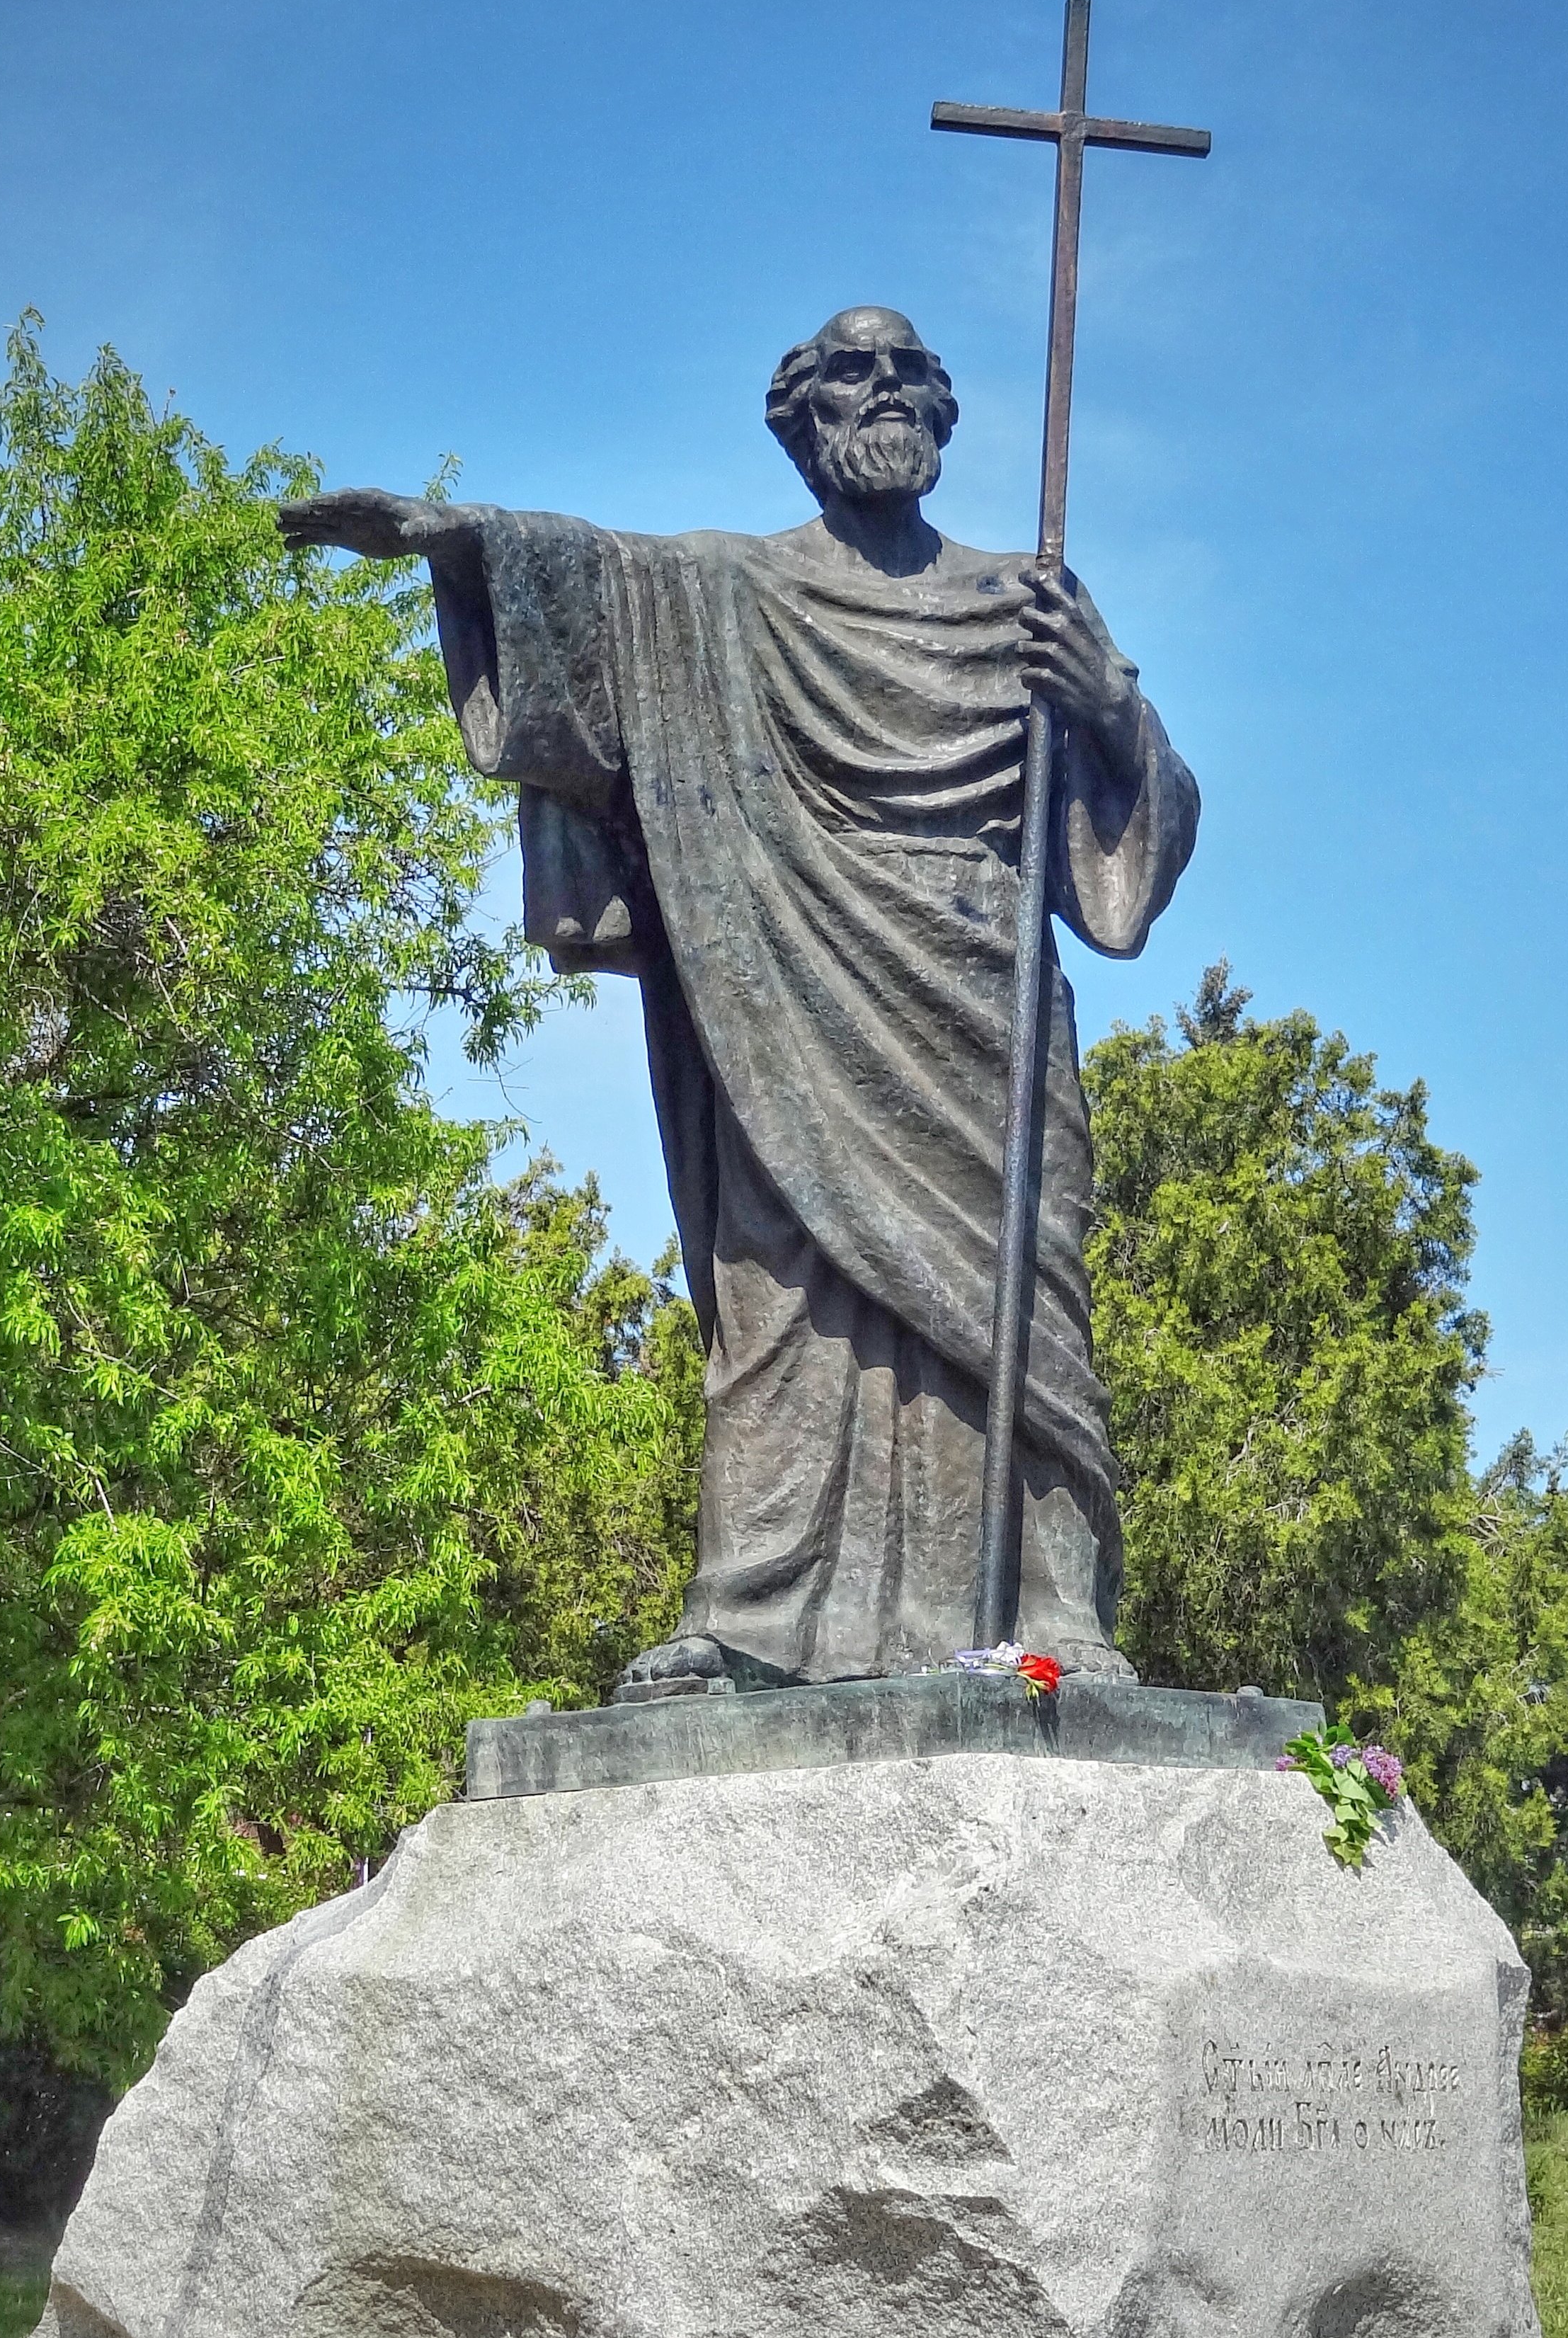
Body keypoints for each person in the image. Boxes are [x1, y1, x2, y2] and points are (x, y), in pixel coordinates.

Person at [281, 307, 1197, 1692]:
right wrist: (452, 540)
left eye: (906, 372)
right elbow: (593, 582)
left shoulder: (1030, 607)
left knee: (1021, 1287)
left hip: (981, 981)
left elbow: (1126, 862)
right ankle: (754, 1618)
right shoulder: (726, 591)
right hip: (780, 965)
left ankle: (1052, 1616)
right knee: (782, 1291)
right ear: (799, 419)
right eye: (847, 371)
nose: (880, 391)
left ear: (947, 415)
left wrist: (1110, 698)